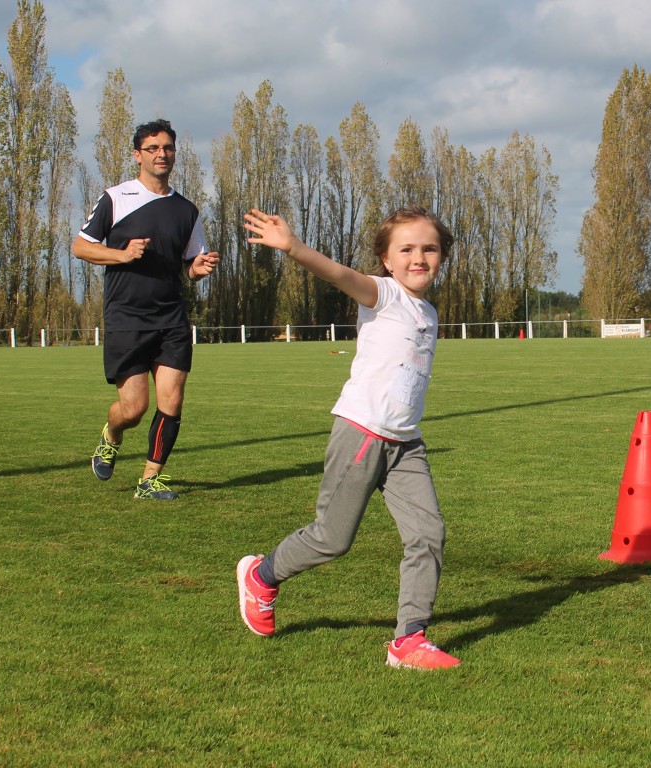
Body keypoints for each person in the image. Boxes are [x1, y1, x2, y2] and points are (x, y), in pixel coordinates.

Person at [236, 206, 461, 670]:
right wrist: (293, 247)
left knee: (428, 534)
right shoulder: (382, 294)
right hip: (361, 433)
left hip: (406, 444)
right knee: (332, 539)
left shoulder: (428, 311)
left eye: (430, 249)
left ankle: (409, 640)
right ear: (386, 259)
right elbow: (338, 274)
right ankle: (262, 574)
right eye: (406, 249)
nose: (419, 258)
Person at [72, 119, 219, 500]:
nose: (161, 154)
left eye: (167, 148)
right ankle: (112, 435)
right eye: (152, 148)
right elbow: (81, 246)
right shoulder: (115, 198)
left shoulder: (187, 210)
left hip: (171, 317)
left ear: (175, 154)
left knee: (173, 399)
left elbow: (189, 266)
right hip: (126, 318)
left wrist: (198, 268)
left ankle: (150, 480)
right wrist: (121, 255)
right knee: (133, 409)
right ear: (138, 155)